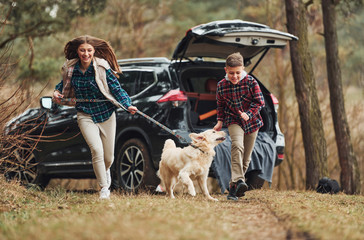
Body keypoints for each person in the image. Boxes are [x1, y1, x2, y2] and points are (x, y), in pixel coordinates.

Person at [53, 35, 137, 200]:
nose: (86, 53)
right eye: (82, 50)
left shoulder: (101, 67)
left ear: (94, 51)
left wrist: (128, 104)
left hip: (106, 113)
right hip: (85, 114)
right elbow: (63, 85)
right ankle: (104, 188)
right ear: (77, 51)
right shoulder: (71, 68)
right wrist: (57, 91)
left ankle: (105, 171)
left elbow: (117, 89)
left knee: (108, 157)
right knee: (96, 150)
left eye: (89, 50)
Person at [213, 52, 265, 201]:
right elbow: (220, 105)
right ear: (226, 70)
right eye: (231, 73)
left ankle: (234, 187)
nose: (234, 76)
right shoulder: (221, 86)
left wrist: (249, 113)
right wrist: (220, 121)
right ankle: (239, 181)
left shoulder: (251, 82)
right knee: (237, 146)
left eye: (237, 72)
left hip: (252, 122)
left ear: (242, 68)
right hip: (233, 120)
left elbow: (260, 102)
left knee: (246, 158)